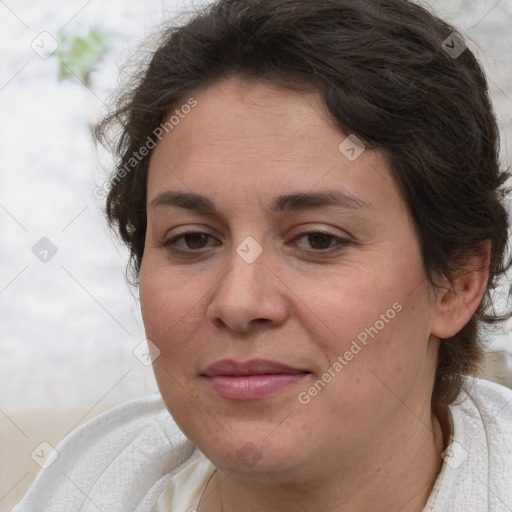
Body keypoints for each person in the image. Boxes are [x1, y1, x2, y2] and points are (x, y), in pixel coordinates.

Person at [12, 0, 512, 510]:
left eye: (318, 240)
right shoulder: (80, 485)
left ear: (458, 280)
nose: (238, 302)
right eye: (192, 239)